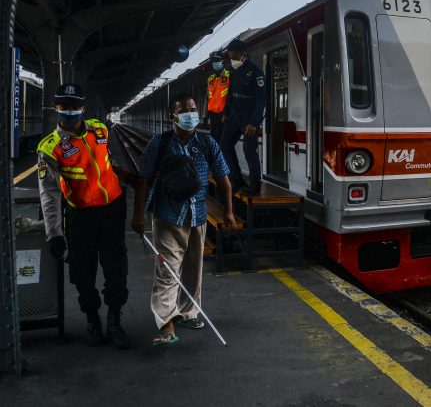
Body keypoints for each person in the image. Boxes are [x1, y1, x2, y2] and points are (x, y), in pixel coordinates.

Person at [131, 93, 236, 346]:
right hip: (167, 215)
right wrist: (138, 214)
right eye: (185, 110)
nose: (191, 114)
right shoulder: (160, 142)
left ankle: (189, 312)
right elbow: (143, 180)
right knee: (167, 271)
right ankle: (166, 322)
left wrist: (228, 211)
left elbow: (223, 179)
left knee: (193, 269)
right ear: (172, 117)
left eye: (193, 108)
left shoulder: (208, 144)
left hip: (198, 215)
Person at [36, 83, 131, 348]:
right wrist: (54, 234)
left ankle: (114, 322)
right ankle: (92, 322)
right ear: (56, 108)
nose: (70, 111)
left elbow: (108, 162)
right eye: (64, 106)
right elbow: (50, 195)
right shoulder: (50, 148)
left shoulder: (100, 130)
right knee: (83, 273)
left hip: (111, 211)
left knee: (116, 270)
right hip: (81, 217)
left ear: (84, 107)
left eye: (75, 105)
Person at [220, 38, 266, 195]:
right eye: (230, 58)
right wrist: (226, 113)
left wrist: (254, 123)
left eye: (234, 58)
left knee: (249, 151)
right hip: (234, 115)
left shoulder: (256, 72)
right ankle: (237, 179)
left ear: (243, 55)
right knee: (224, 145)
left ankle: (255, 185)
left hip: (249, 117)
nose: (232, 61)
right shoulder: (233, 70)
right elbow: (230, 93)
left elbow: (262, 100)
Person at [206, 52, 230, 142]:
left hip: (225, 114)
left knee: (225, 141)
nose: (215, 63)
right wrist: (205, 115)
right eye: (213, 61)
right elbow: (207, 98)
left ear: (223, 61)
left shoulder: (229, 76)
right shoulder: (210, 79)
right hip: (213, 115)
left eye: (217, 60)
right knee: (214, 141)